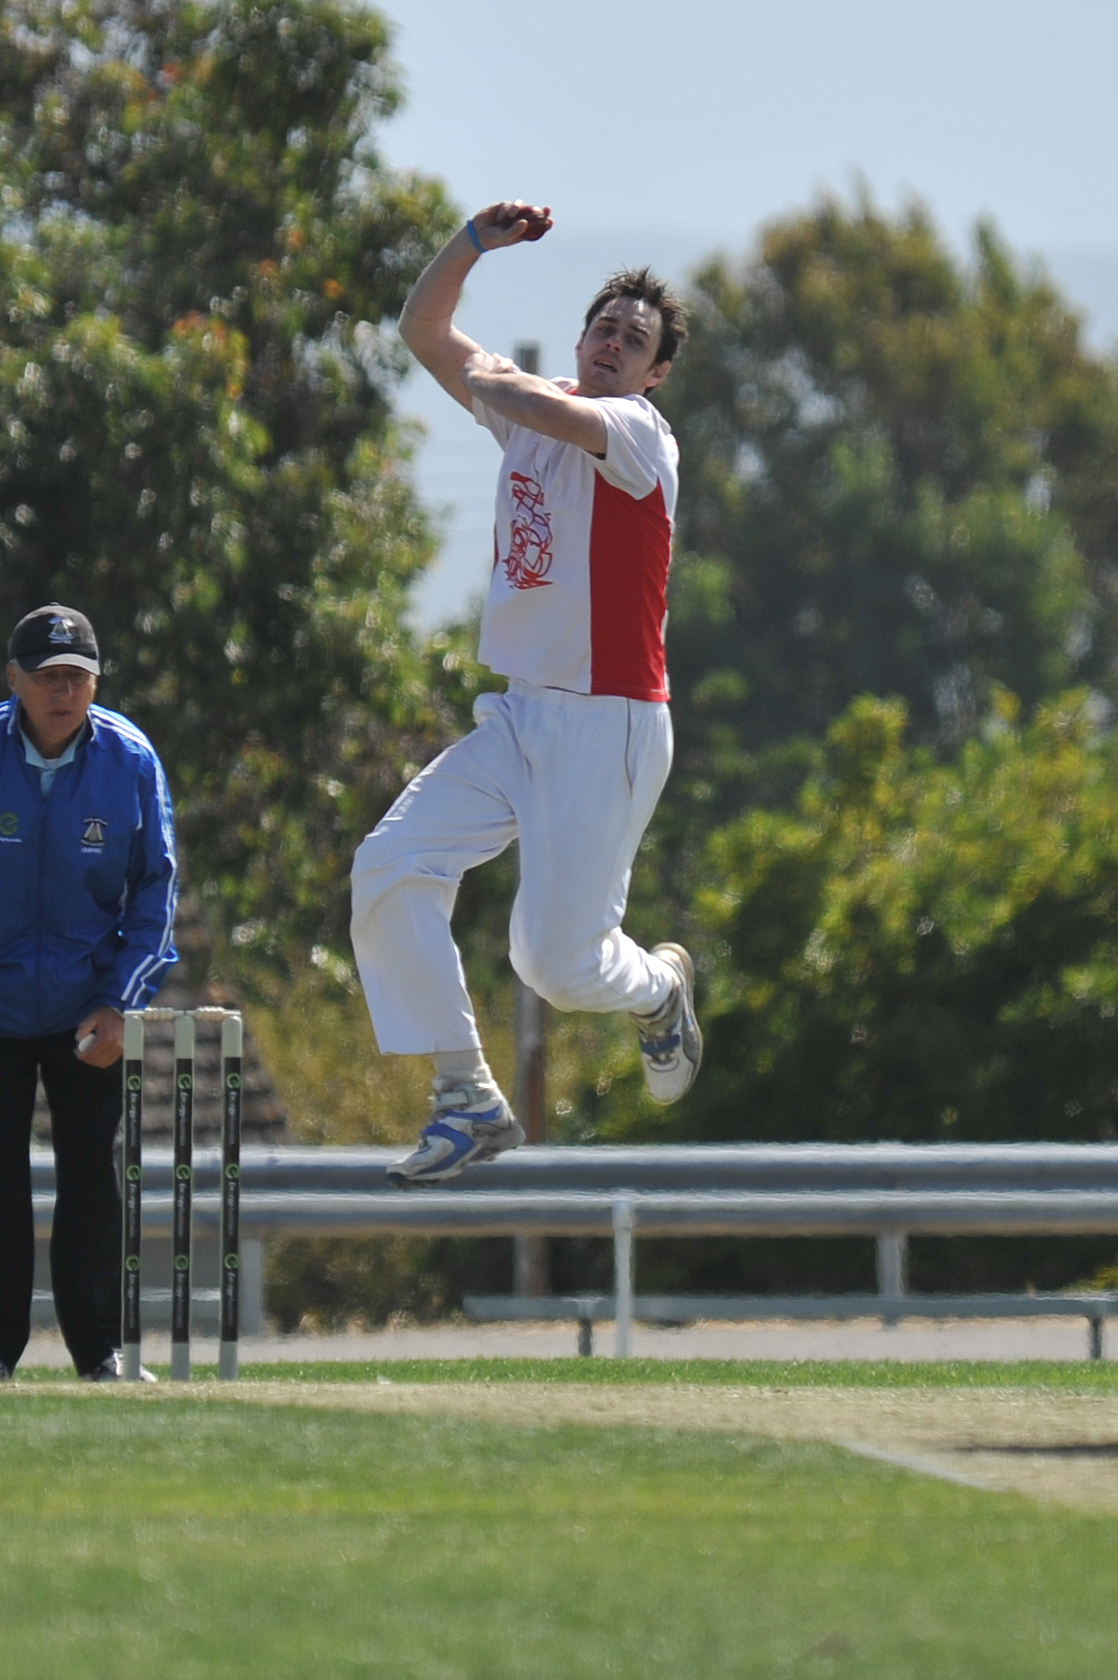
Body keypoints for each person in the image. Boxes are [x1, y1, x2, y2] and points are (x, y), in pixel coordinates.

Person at [351, 200, 701, 1188]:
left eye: (633, 341)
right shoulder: (529, 400)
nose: (612, 343)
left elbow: (548, 411)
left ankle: (656, 987)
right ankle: (465, 1092)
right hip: (518, 715)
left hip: (608, 724)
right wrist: (470, 244)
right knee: (388, 866)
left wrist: (496, 380)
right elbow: (422, 329)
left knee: (553, 966)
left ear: (653, 373)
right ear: (582, 337)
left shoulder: (637, 431)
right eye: (603, 327)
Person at [0, 604, 178, 1380]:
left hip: (88, 1009)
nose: (63, 692)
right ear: (14, 680)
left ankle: (99, 1351)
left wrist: (120, 1004)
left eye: (77, 677)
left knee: (90, 1181)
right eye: (47, 677)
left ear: (96, 684)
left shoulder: (129, 759)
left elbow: (156, 892)